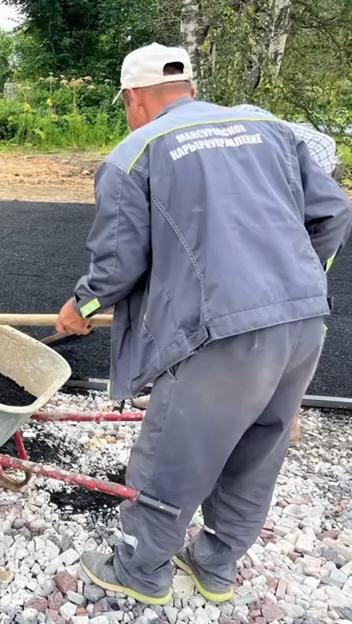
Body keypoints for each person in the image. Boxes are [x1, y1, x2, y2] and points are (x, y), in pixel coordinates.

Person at [54, 42, 352, 606]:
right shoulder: (270, 129)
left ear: (135, 97)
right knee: (258, 445)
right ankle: (216, 566)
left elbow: (117, 266)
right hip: (304, 323)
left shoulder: (136, 153)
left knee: (174, 449)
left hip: (224, 335)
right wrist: (299, 278)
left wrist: (81, 309)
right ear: (188, 88)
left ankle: (140, 570)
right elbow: (335, 214)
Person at [130, 103, 348, 444]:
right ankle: (173, 396)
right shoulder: (220, 135)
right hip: (275, 194)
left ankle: (288, 416)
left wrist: (296, 270)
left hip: (302, 209)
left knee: (292, 318)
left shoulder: (273, 145)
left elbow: (333, 214)